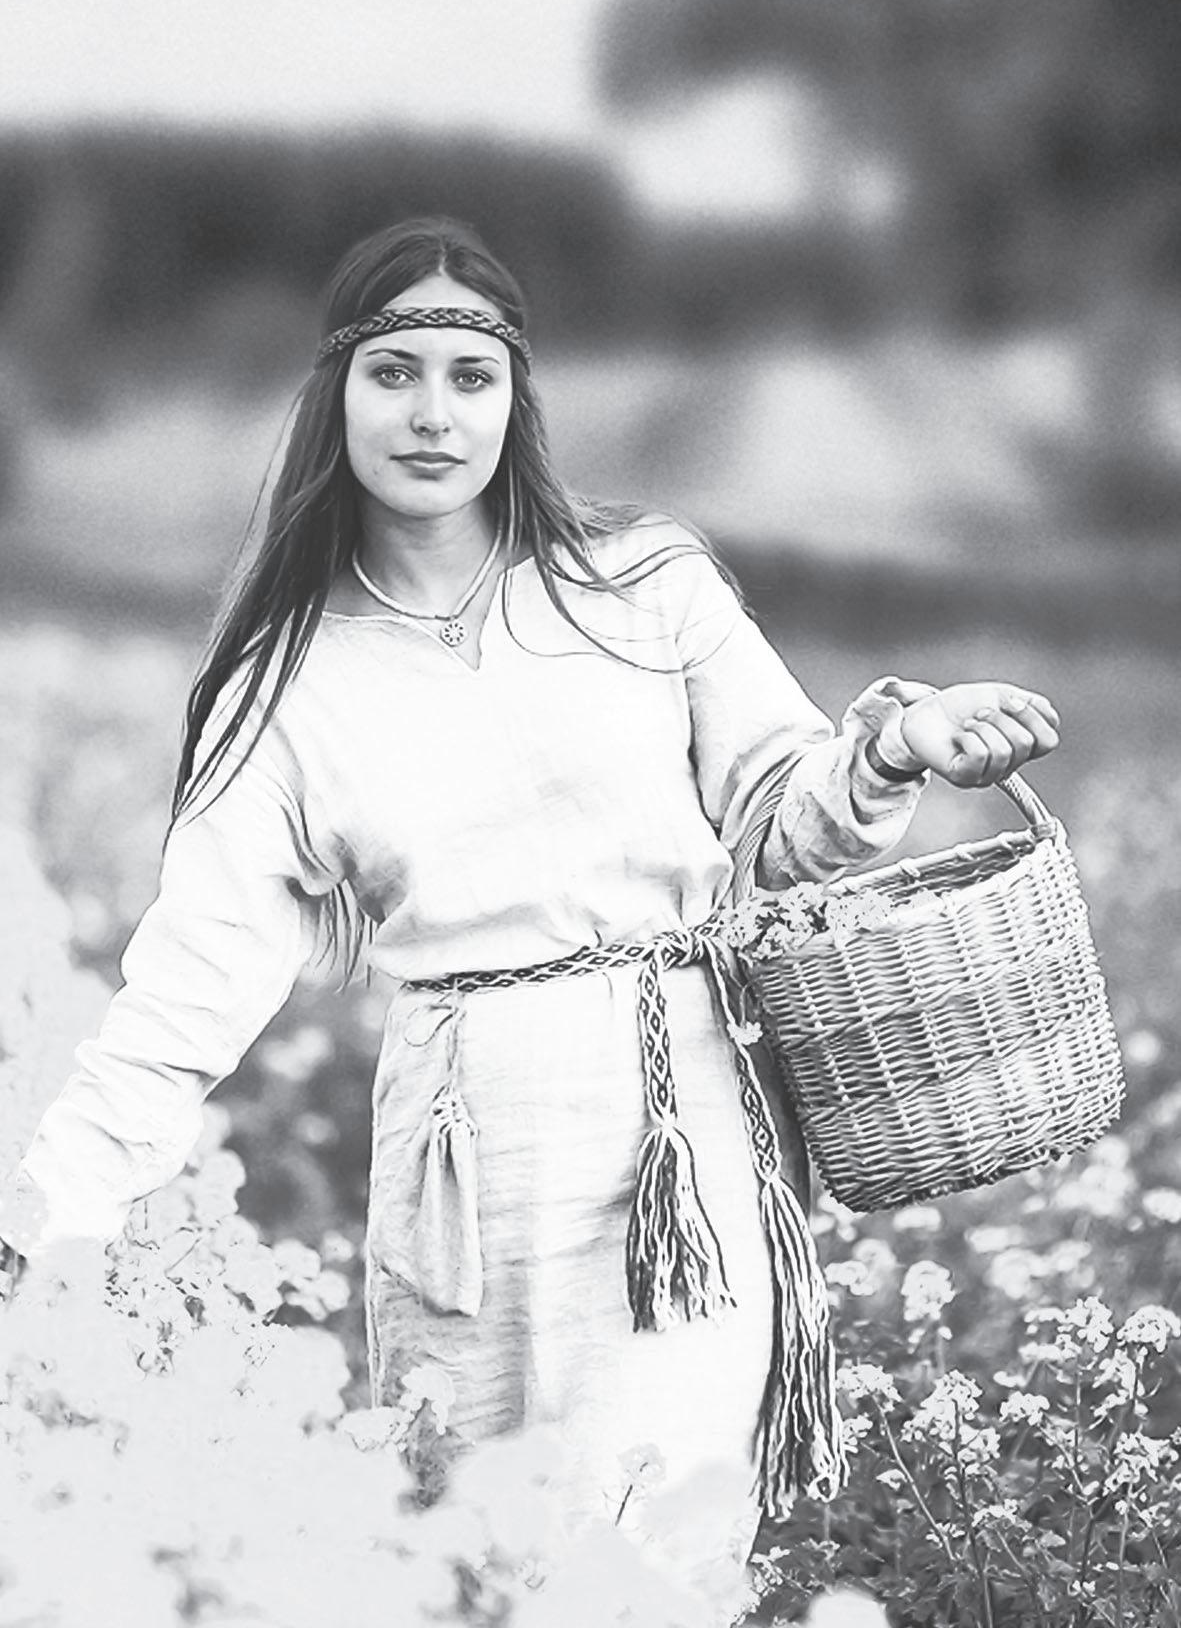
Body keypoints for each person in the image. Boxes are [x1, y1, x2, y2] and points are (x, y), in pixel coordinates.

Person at [0, 216, 1059, 1574]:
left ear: (515, 398)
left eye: (470, 375)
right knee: (492, 1552)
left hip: (678, 1139)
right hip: (465, 1161)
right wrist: (47, 1215)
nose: (432, 414)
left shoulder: (642, 585)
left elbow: (782, 817)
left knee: (661, 1549)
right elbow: (188, 991)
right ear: (336, 393)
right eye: (393, 372)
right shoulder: (286, 684)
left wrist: (897, 745)